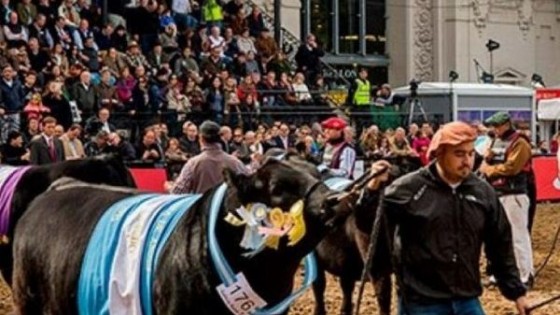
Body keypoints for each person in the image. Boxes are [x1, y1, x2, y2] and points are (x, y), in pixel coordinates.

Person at [360, 121, 529, 315]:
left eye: (471, 153)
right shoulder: (408, 188)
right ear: (439, 154)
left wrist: (517, 293)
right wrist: (372, 189)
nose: (467, 161)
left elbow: (500, 245)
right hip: (421, 302)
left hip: (467, 299)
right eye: (459, 154)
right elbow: (369, 224)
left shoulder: (483, 193)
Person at [479, 112, 534, 286]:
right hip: (497, 192)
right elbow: (487, 161)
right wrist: (487, 162)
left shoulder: (520, 143)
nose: (494, 129)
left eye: (497, 126)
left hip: (514, 193)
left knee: (518, 236)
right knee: (497, 235)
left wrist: (489, 170)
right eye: (493, 126)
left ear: (506, 124)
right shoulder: (496, 141)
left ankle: (526, 274)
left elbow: (512, 168)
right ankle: (499, 272)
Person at [170, 120, 253, 194]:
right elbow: (250, 183)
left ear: (201, 138)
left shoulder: (193, 163)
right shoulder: (235, 162)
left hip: (203, 210)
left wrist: (169, 187)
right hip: (229, 210)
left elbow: (177, 192)